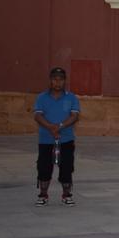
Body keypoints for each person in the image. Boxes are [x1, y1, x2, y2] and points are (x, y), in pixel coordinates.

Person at [33, 67, 80, 207]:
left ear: (65, 81)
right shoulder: (41, 97)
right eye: (55, 79)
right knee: (44, 167)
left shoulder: (71, 97)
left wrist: (58, 126)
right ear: (50, 80)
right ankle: (43, 194)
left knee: (66, 167)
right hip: (46, 139)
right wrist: (50, 127)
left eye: (60, 79)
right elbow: (37, 115)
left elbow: (75, 116)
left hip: (66, 139)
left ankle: (67, 195)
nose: (57, 82)